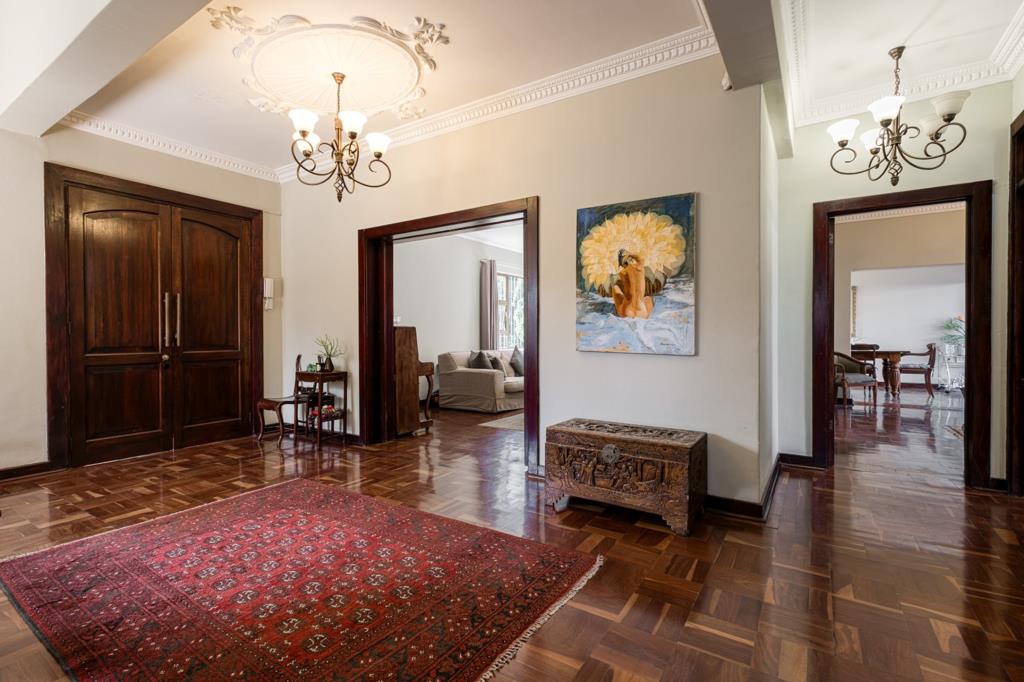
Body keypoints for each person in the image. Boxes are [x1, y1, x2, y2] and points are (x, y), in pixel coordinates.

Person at [612, 250, 653, 319]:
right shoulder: (640, 266)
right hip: (642, 312)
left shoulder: (622, 271)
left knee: (615, 288)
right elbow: (638, 258)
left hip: (627, 311)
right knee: (648, 298)